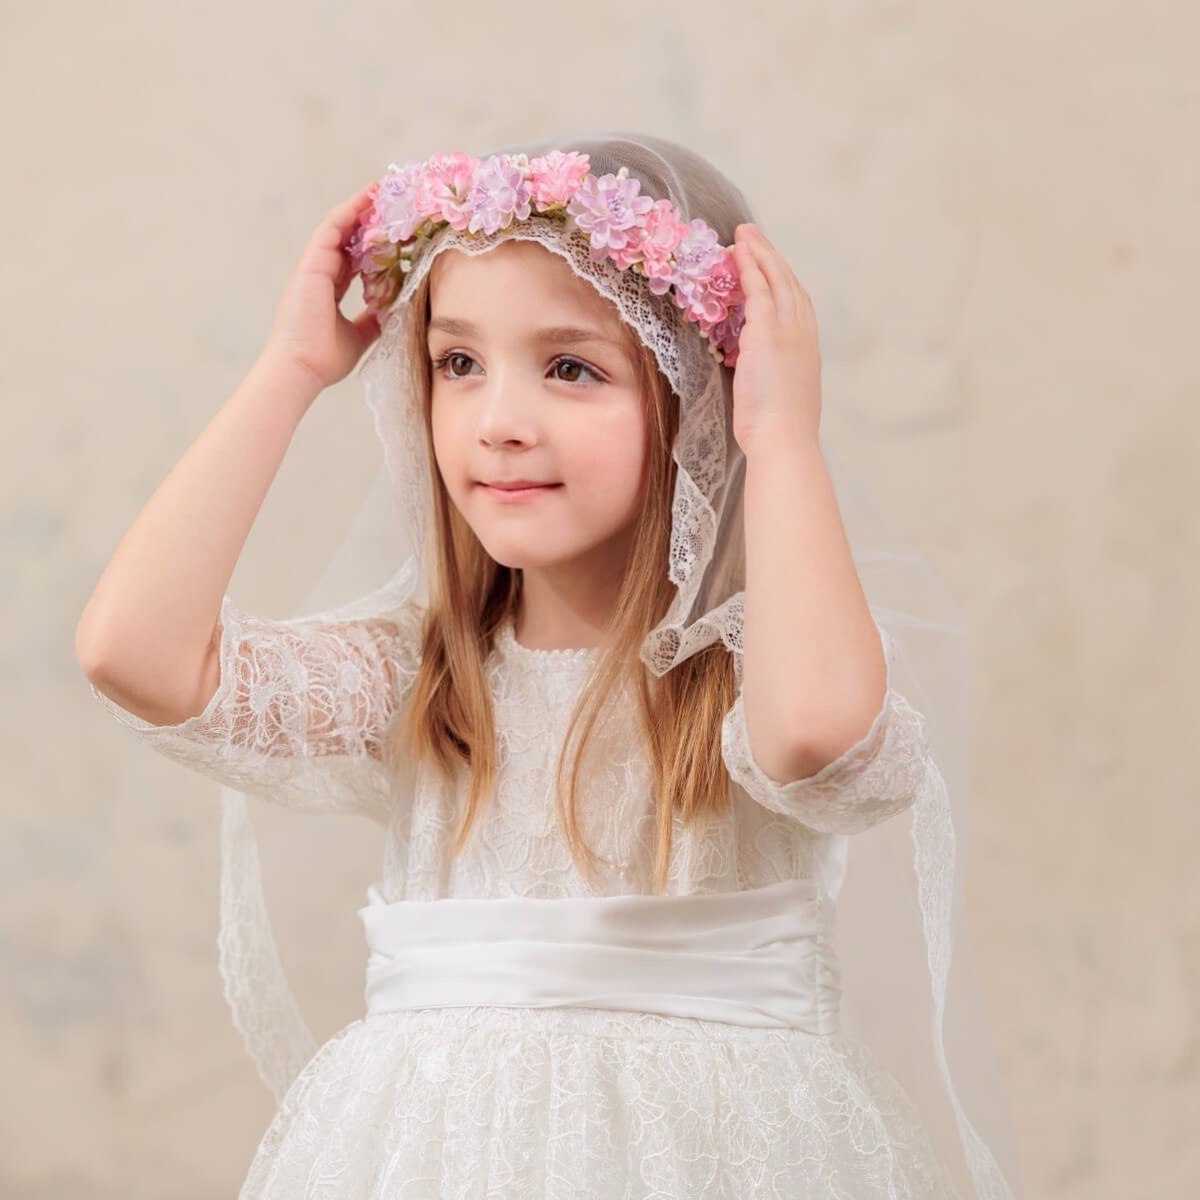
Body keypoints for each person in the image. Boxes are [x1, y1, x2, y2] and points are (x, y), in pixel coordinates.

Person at [77, 131, 1022, 1198]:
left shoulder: (764, 669)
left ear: (695, 396)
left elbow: (813, 739)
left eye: (571, 368)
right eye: (458, 364)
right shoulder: (423, 677)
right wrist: (290, 371)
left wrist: (781, 439)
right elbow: (131, 654)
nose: (499, 425)